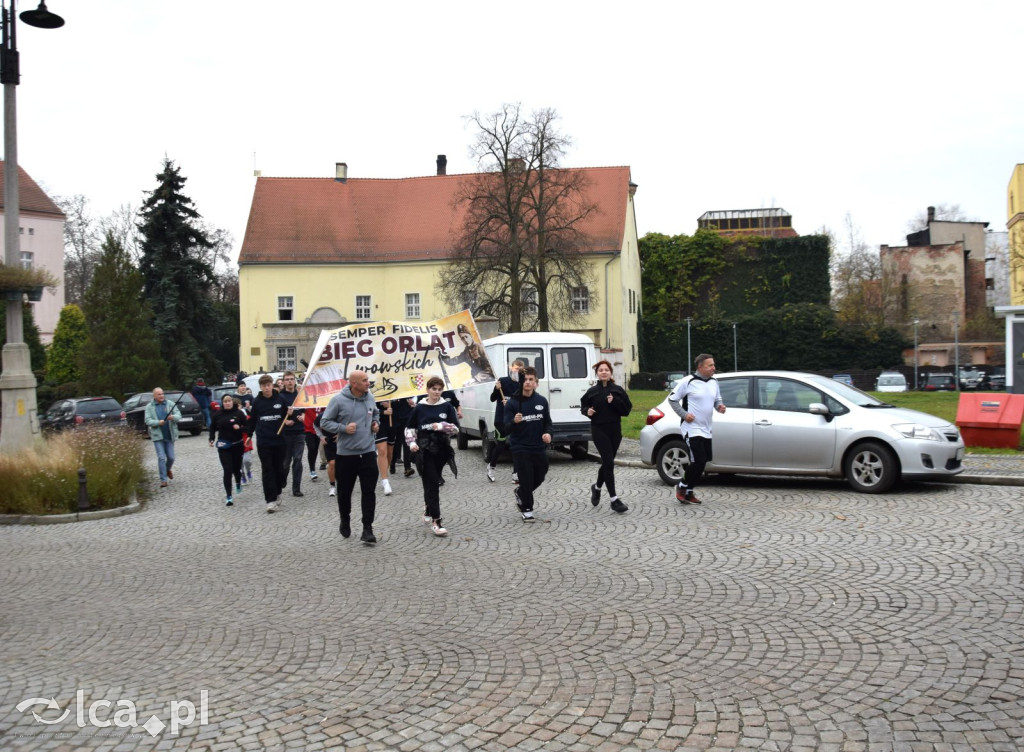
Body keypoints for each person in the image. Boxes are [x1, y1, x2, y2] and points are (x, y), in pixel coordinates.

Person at [321, 370, 380, 544]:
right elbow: (324, 422)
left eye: (367, 380)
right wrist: (343, 428)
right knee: (344, 492)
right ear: (353, 383)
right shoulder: (338, 400)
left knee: (369, 492)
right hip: (346, 455)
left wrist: (376, 423)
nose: (368, 383)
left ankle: (367, 528)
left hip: (368, 452)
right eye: (364, 380)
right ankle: (345, 519)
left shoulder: (370, 397)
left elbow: (375, 414)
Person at [668, 353, 726, 505]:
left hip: (707, 428)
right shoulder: (688, 381)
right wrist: (684, 414)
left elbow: (717, 399)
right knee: (698, 460)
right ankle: (681, 486)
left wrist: (719, 406)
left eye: (713, 365)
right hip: (691, 428)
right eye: (710, 365)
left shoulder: (714, 382)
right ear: (700, 367)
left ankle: (689, 491)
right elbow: (672, 399)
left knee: (703, 461)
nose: (714, 368)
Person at [406, 377, 460, 536]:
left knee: (431, 482)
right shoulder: (419, 408)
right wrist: (411, 443)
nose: (436, 392)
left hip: (442, 449)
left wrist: (442, 426)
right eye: (433, 389)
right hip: (424, 450)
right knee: (433, 482)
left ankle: (428, 508)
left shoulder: (447, 407)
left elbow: (456, 428)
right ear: (427, 389)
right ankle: (437, 521)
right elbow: (410, 428)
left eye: (439, 389)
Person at [581, 359, 632, 513]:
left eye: (606, 370)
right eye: (601, 370)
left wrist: (614, 401)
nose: (604, 372)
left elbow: (627, 410)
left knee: (607, 463)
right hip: (599, 430)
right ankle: (614, 500)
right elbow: (583, 406)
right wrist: (587, 412)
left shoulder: (617, 390)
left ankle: (596, 488)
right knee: (609, 462)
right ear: (597, 373)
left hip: (615, 430)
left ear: (610, 373)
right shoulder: (592, 391)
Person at [502, 366, 552, 522]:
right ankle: (527, 510)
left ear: (536, 383)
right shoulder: (512, 403)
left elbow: (548, 422)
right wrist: (514, 421)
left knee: (541, 473)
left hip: (538, 446)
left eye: (531, 380)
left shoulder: (542, 401)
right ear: (521, 382)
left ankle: (521, 492)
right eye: (525, 380)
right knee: (526, 478)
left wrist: (548, 433)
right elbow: (505, 429)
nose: (528, 383)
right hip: (520, 447)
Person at [247, 374, 289, 513]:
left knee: (279, 469)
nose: (266, 388)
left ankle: (278, 491)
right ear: (260, 387)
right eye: (264, 386)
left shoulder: (280, 399)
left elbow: (287, 417)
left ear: (272, 385)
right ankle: (270, 501)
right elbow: (252, 420)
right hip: (264, 441)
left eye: (268, 385)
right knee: (267, 470)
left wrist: (291, 415)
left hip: (279, 441)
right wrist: (248, 434)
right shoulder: (257, 402)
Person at [485, 359, 524, 483]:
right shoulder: (502, 381)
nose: (517, 371)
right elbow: (492, 399)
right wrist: (497, 389)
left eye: (519, 369)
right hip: (501, 419)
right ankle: (491, 467)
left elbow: (525, 403)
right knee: (501, 446)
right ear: (510, 368)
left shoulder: (522, 384)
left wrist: (512, 404)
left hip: (515, 420)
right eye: (515, 368)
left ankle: (515, 474)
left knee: (516, 446)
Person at [209, 393, 246, 506]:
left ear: (232, 402)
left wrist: (239, 428)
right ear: (222, 403)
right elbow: (212, 428)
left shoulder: (239, 413)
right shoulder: (217, 415)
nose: (227, 403)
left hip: (237, 445)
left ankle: (238, 481)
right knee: (227, 470)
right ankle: (229, 496)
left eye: (229, 401)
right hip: (223, 445)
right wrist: (211, 439)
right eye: (225, 401)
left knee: (236, 469)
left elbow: (247, 427)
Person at [144, 387, 180, 488]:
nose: (161, 396)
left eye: (162, 394)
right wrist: (158, 423)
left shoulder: (169, 404)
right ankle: (163, 480)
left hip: (169, 435)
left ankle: (167, 469)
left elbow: (179, 415)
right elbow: (147, 421)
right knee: (161, 457)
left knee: (171, 457)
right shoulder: (149, 407)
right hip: (157, 436)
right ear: (154, 396)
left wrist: (173, 417)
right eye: (159, 394)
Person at [278, 371, 306, 498]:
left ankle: (296, 488)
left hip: (299, 432)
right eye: (287, 379)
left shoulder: (300, 395)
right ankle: (282, 479)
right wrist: (285, 419)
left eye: (291, 379)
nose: (289, 381)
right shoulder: (280, 396)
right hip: (286, 433)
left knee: (298, 459)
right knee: (285, 462)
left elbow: (306, 408)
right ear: (283, 382)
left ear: (295, 381)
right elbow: (277, 415)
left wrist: (304, 415)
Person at [390, 396, 417, 478]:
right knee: (397, 443)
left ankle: (407, 467)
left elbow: (414, 395)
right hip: (395, 416)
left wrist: (413, 402)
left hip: (407, 416)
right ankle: (392, 462)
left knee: (407, 441)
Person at [375, 400, 395, 496]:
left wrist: (392, 407)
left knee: (389, 453)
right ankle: (385, 481)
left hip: (393, 423)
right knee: (382, 451)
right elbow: (368, 408)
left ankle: (384, 472)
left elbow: (403, 408)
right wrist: (382, 411)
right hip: (378, 424)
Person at [303, 406, 323, 483]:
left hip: (319, 428)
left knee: (315, 450)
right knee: (311, 448)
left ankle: (313, 469)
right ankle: (312, 470)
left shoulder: (323, 401)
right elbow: (301, 409)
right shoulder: (308, 400)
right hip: (308, 428)